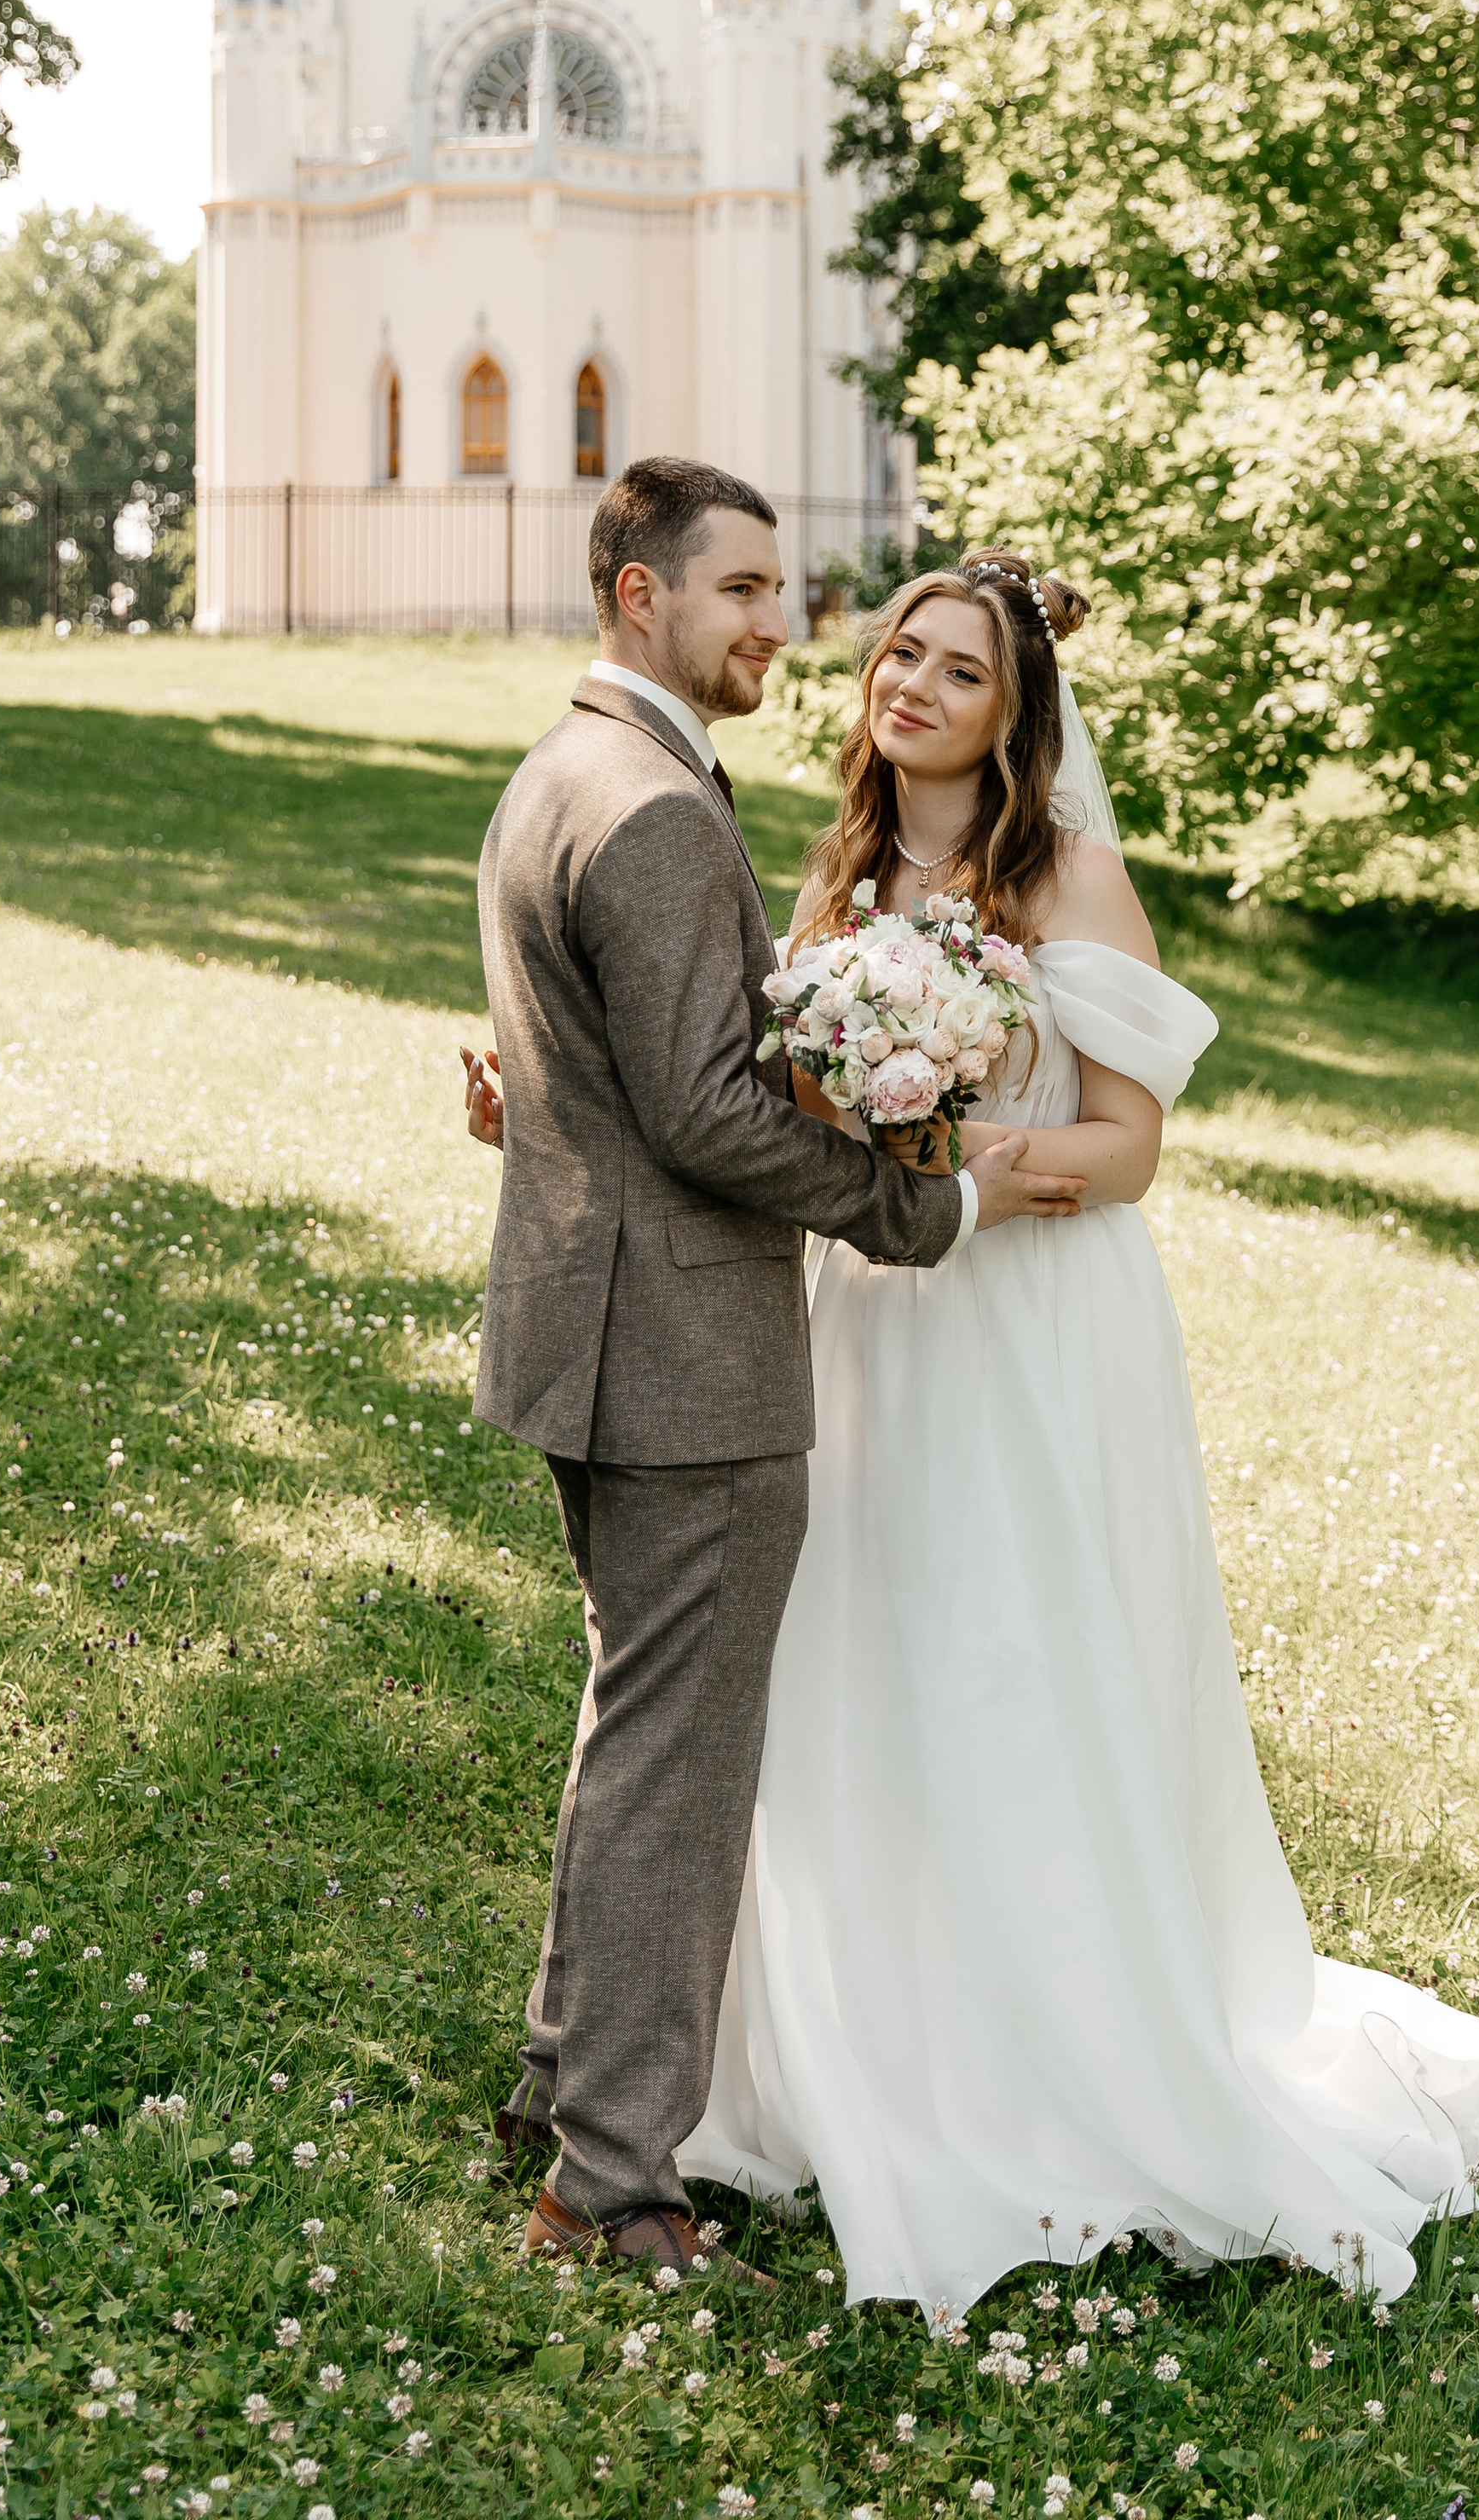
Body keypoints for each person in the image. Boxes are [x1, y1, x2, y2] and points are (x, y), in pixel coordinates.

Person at [679, 546, 1479, 2319]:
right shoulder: (844, 870)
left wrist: (956, 1153)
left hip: (1026, 1321)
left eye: (960, 672)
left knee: (1013, 1656)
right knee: (855, 1651)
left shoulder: (1067, 873)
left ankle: (1050, 2059)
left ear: (1018, 719)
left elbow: (1132, 1149)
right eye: (901, 653)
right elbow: (788, 1104)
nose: (914, 687)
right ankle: (857, 2044)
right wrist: (856, 1136)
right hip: (870, 1316)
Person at [465, 461, 1084, 2280]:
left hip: (592, 1335)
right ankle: (609, 2185)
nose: (777, 623)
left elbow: (611, 1063)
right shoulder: (655, 809)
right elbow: (712, 1118)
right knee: (678, 1764)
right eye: (739, 589)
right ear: (639, 594)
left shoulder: (563, 768)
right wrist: (923, 1210)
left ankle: (564, 2089)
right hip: (683, 1359)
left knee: (634, 1730)